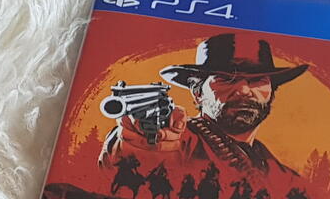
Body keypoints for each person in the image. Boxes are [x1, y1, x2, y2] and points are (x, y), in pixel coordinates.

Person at [98, 33, 308, 177]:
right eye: (226, 79)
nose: (244, 90)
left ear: (271, 92)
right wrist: (139, 144)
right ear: (198, 93)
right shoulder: (178, 138)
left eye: (257, 80)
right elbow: (127, 157)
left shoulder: (282, 175)